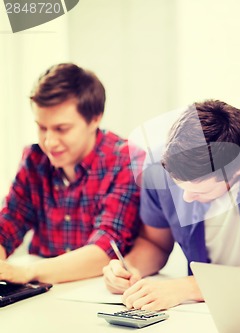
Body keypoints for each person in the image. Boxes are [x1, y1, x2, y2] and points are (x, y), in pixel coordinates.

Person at [103, 100, 240, 310]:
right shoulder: (159, 164)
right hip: (204, 309)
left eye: (199, 190)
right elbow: (154, 243)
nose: (186, 198)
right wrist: (129, 268)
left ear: (238, 171)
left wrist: (186, 288)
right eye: (180, 186)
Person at [0, 63, 141, 284]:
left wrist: (29, 272)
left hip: (99, 288)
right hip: (45, 291)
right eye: (42, 127)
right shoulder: (34, 158)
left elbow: (106, 248)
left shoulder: (126, 160)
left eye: (61, 129)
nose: (49, 142)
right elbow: (9, 222)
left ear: (95, 118)